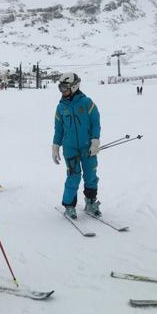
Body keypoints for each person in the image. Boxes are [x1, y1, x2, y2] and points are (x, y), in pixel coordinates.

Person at [52, 72, 101, 219]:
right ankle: (69, 206)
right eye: (60, 88)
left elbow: (95, 123)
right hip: (70, 148)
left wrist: (95, 140)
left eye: (65, 88)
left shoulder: (87, 103)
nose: (62, 91)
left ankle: (91, 202)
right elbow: (58, 128)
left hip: (88, 147)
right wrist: (55, 145)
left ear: (74, 86)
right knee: (73, 176)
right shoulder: (61, 107)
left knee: (90, 175)